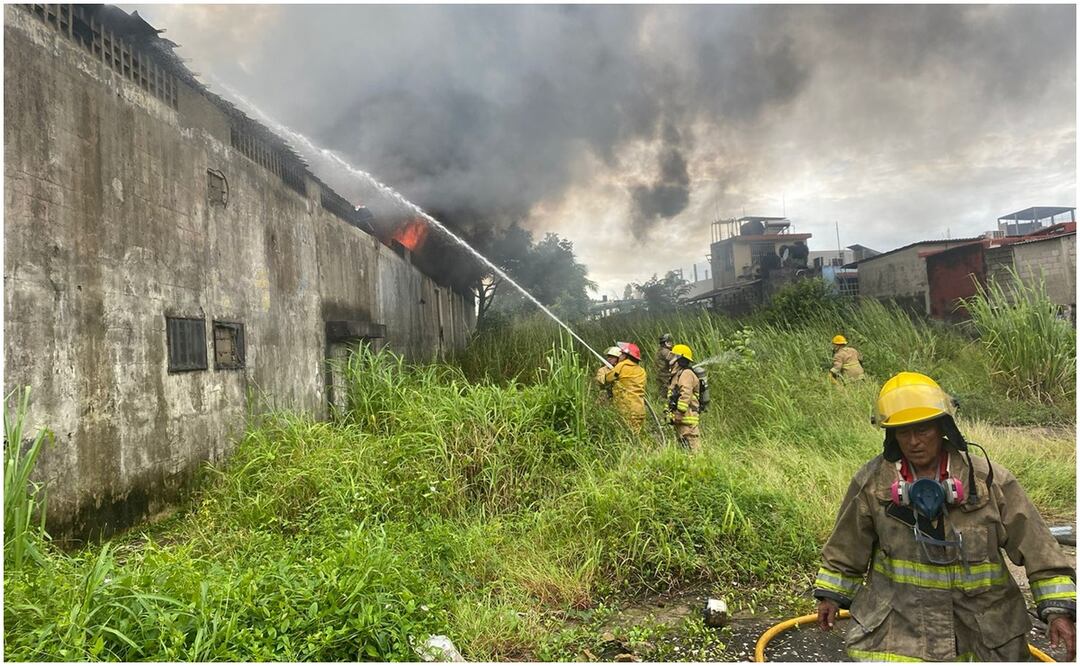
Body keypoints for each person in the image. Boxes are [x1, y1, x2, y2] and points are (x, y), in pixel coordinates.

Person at [814, 372, 1076, 662]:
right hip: (899, 631)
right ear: (892, 435)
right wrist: (831, 595)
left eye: (923, 429)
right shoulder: (873, 484)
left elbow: (1038, 548)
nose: (914, 442)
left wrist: (1059, 610)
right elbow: (847, 545)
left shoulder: (988, 481)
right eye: (903, 432)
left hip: (984, 633)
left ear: (942, 427)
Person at [599, 341, 647, 432]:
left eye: (621, 354)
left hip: (626, 410)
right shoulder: (642, 371)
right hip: (640, 410)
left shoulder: (621, 366)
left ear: (626, 356)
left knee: (627, 435)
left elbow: (607, 379)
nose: (619, 356)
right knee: (638, 436)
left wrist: (602, 377)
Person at [666, 344, 702, 452]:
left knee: (692, 448)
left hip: (687, 418)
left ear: (680, 359)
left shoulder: (686, 374)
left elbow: (685, 394)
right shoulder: (677, 374)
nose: (670, 359)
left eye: (673, 356)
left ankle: (698, 466)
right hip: (681, 420)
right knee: (684, 448)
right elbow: (672, 396)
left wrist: (679, 412)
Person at [655, 334, 676, 400]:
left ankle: (662, 400)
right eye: (669, 342)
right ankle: (665, 402)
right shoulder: (665, 351)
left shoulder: (660, 350)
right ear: (665, 343)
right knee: (667, 389)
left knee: (662, 389)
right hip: (665, 374)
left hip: (661, 373)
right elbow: (672, 359)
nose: (671, 343)